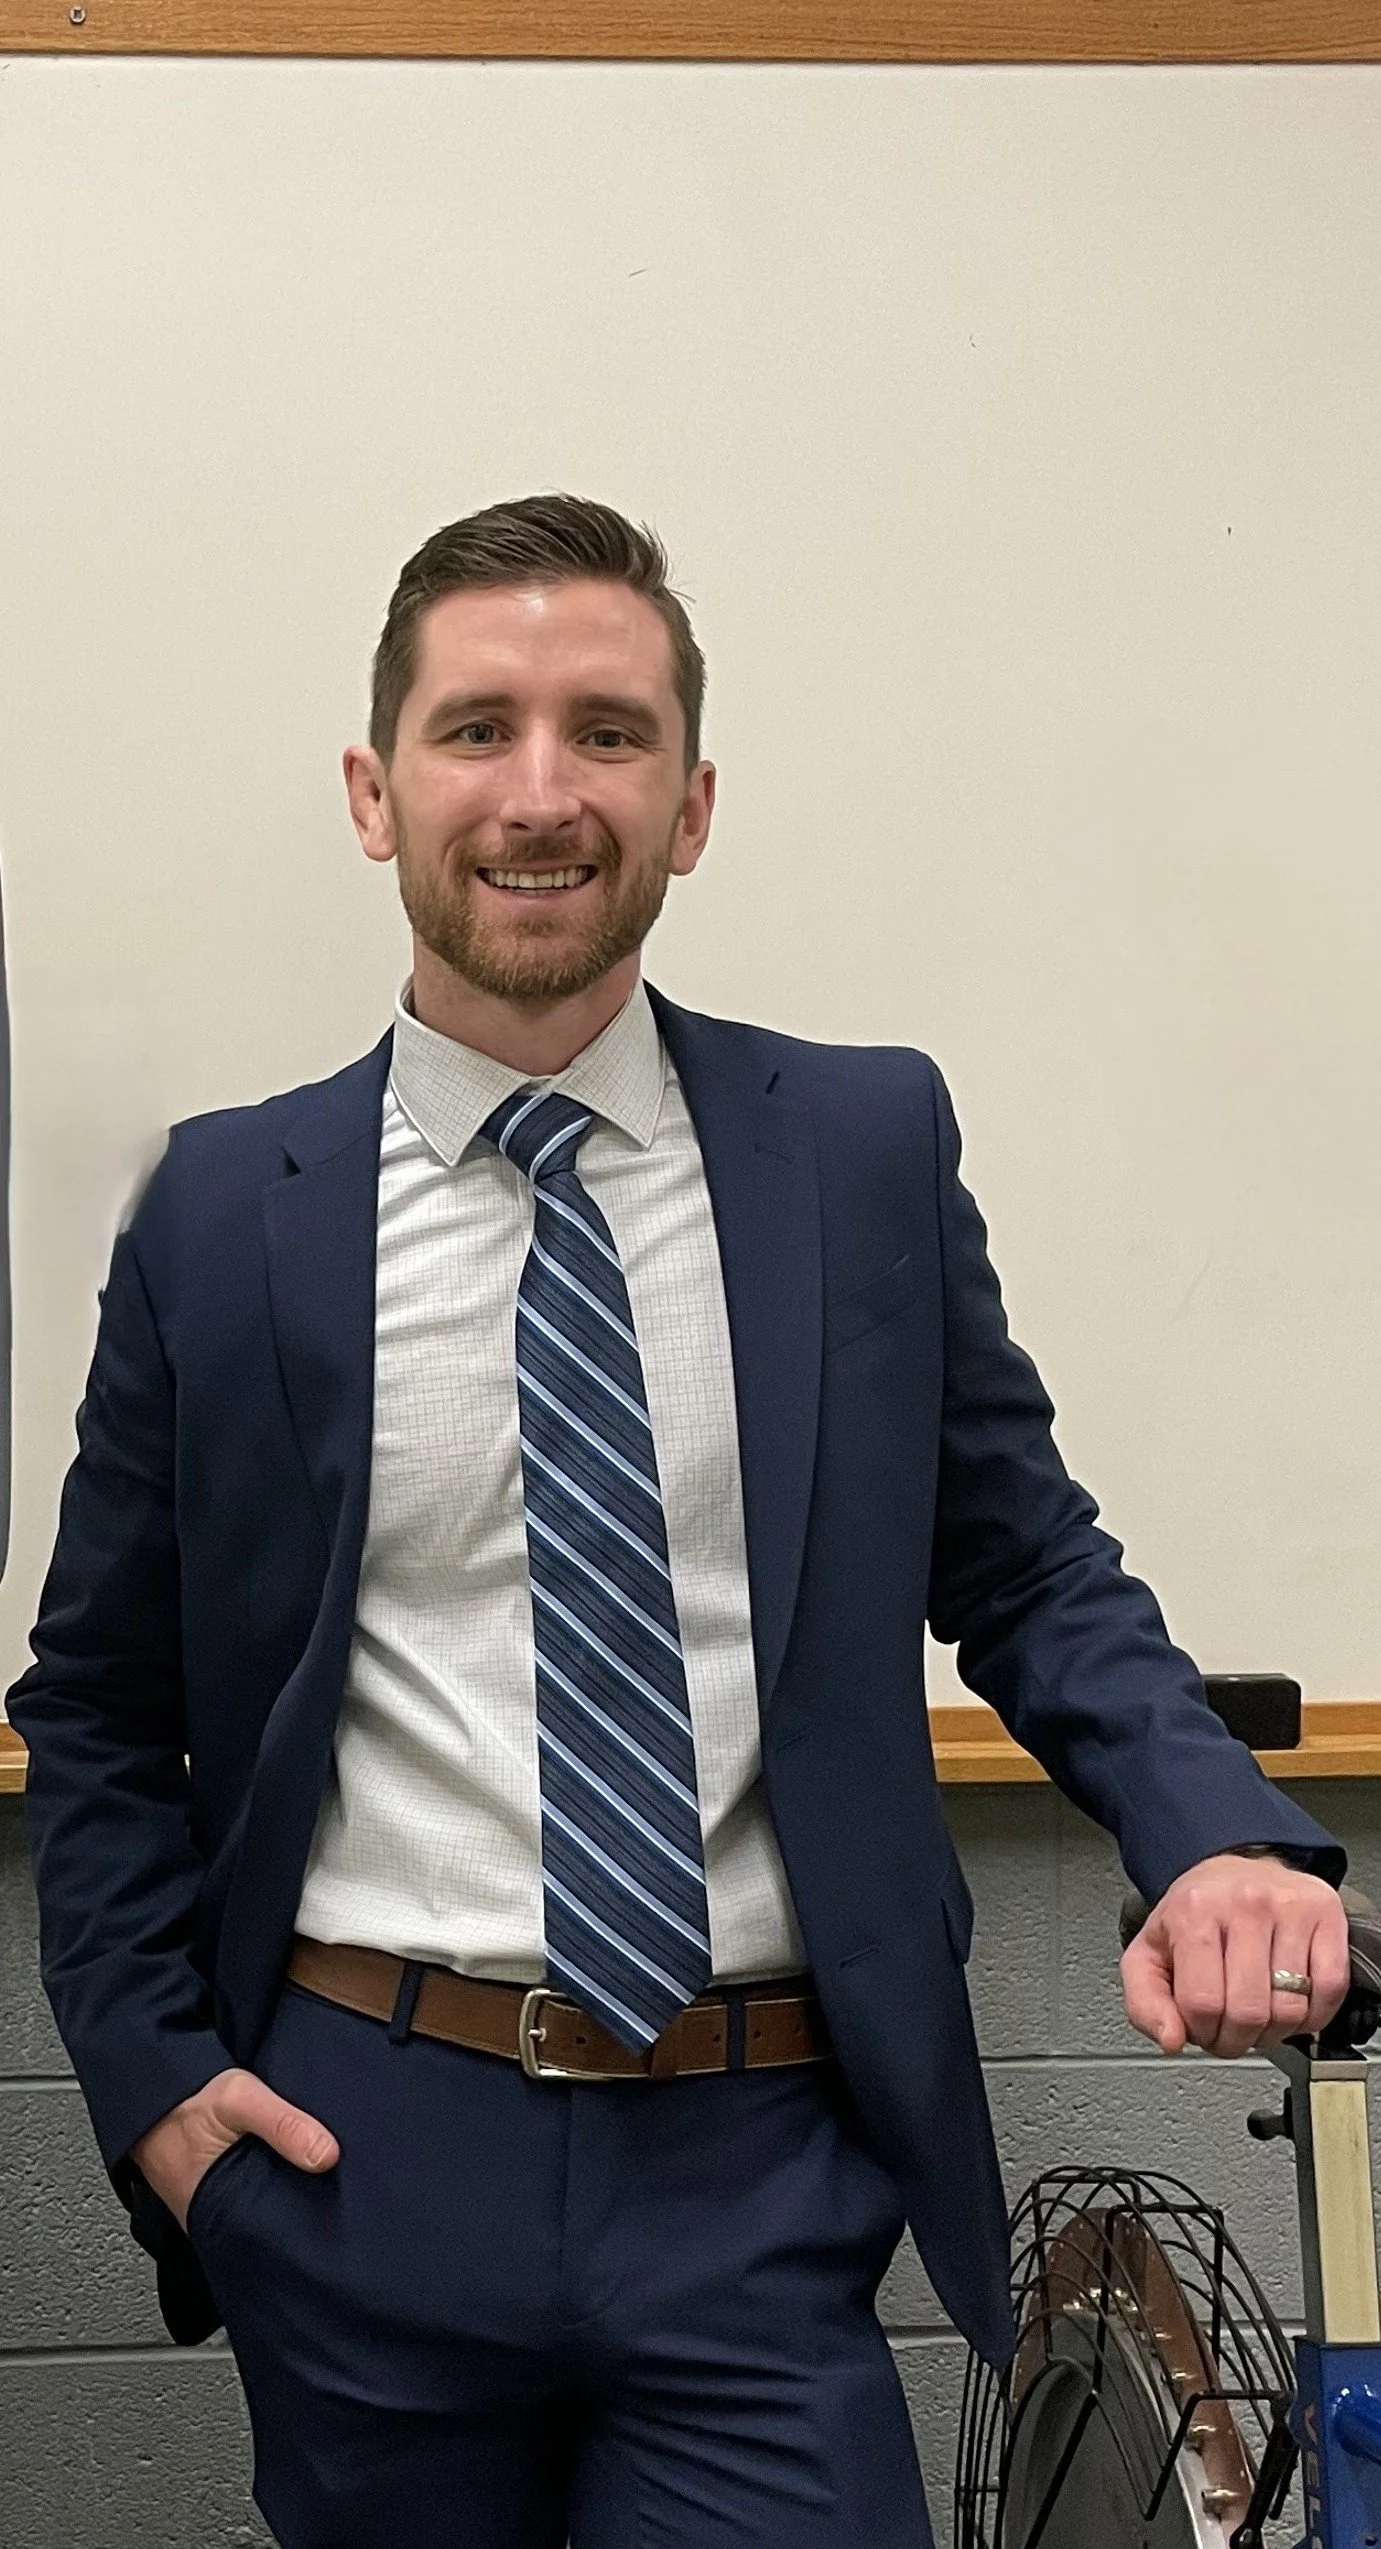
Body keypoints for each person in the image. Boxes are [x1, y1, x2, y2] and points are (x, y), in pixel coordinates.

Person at [8, 493, 1349, 2549]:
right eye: (477, 728)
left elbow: (1025, 1563)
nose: (542, 792)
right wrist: (161, 2094)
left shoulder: (858, 1149)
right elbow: (96, 1706)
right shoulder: (219, 1213)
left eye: (610, 733)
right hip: (361, 2145)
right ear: (375, 792)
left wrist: (1215, 1827)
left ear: (693, 804)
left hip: (757, 2158)